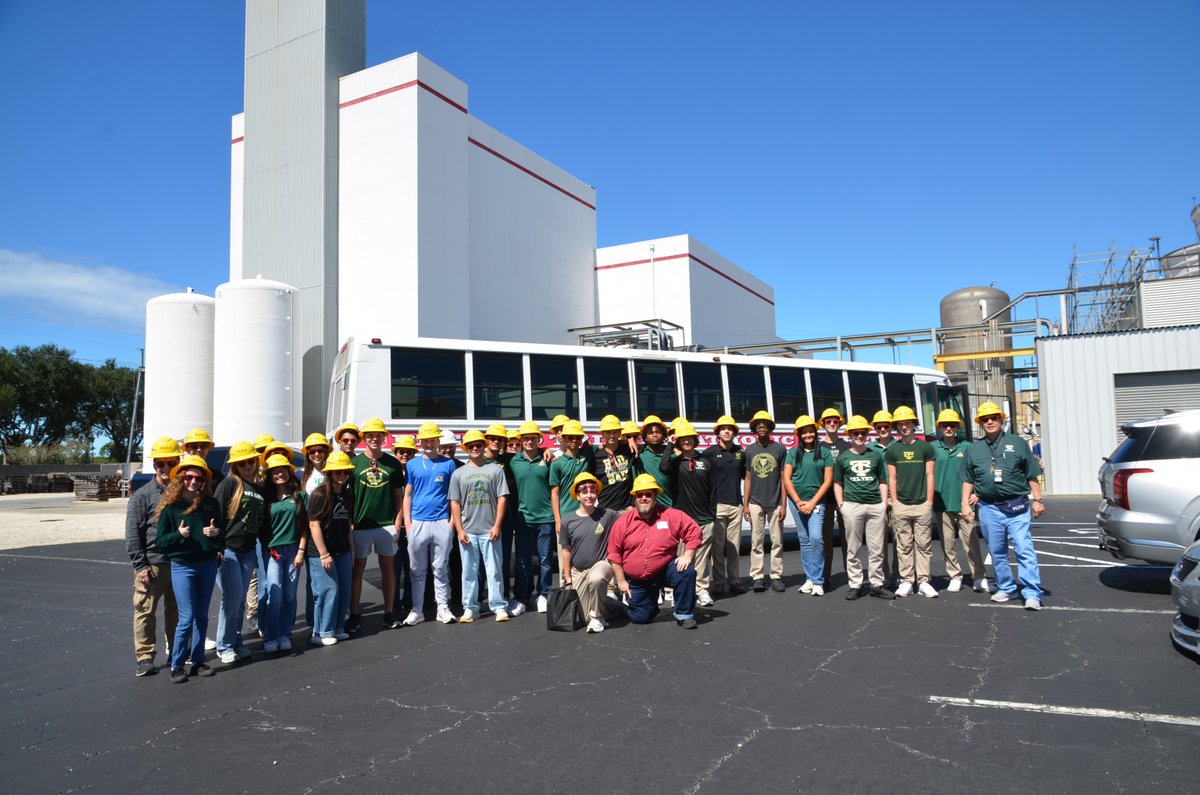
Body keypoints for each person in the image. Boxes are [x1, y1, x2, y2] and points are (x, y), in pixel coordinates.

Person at [961, 402, 1046, 610]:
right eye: (985, 419)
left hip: (1017, 506)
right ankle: (1006, 588)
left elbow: (1031, 474)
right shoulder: (974, 448)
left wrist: (1038, 499)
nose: (990, 421)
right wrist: (965, 504)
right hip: (989, 508)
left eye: (994, 418)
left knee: (1024, 549)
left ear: (1001, 419)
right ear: (980, 423)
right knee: (996, 551)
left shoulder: (1017, 443)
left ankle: (1032, 593)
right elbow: (968, 479)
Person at [154, 454, 224, 683]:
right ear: (181, 478)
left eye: (199, 478)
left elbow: (221, 535)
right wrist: (178, 534)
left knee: (202, 616)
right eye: (189, 477)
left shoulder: (211, 504)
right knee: (186, 617)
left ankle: (198, 660)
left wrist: (215, 533)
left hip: (207, 564)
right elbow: (161, 541)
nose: (194, 481)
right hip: (183, 566)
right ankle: (177, 665)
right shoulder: (171, 508)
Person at [607, 474, 701, 629]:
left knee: (687, 572)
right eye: (640, 495)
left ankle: (684, 614)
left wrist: (687, 555)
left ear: (655, 495)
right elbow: (614, 554)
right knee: (641, 618)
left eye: (648, 494)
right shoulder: (623, 522)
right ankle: (627, 606)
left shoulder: (670, 515)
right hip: (640, 579)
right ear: (635, 497)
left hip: (665, 570)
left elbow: (694, 531)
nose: (644, 498)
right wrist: (622, 581)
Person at [125, 436, 182, 676]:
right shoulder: (143, 496)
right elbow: (132, 533)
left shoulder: (184, 492)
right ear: (154, 465)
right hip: (153, 564)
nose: (166, 468)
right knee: (145, 611)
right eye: (161, 463)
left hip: (179, 562)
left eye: (171, 463)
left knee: (177, 613)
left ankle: (177, 653)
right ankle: (145, 658)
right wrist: (140, 565)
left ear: (178, 462)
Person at [211, 441, 265, 664]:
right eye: (242, 463)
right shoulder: (229, 484)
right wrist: (217, 547)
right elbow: (215, 515)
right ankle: (224, 645)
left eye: (250, 461)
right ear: (235, 465)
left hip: (248, 550)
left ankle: (235, 640)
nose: (247, 466)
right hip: (229, 550)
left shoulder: (258, 487)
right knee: (231, 597)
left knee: (240, 600)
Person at [348, 417, 404, 632]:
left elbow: (398, 496)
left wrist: (397, 522)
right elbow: (349, 497)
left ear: (383, 438)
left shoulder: (392, 464)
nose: (374, 439)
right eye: (370, 436)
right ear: (364, 438)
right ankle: (354, 613)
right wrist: (350, 523)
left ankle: (389, 612)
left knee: (388, 569)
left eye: (378, 436)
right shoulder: (354, 464)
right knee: (358, 570)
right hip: (360, 525)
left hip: (386, 525)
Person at [403, 422, 460, 625]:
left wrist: (451, 523)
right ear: (421, 442)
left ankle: (442, 607)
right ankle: (417, 609)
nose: (429, 444)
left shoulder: (449, 464)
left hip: (441, 522)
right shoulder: (412, 464)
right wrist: (408, 523)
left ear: (438, 441)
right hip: (418, 522)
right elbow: (408, 494)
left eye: (432, 440)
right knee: (417, 570)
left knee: (440, 568)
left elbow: (454, 495)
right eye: (425, 440)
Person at [449, 430, 510, 622]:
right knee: (469, 572)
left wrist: (497, 525)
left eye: (478, 445)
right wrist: (459, 530)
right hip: (468, 530)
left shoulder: (495, 470)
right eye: (471, 446)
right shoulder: (458, 473)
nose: (475, 448)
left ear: (484, 446)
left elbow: (502, 498)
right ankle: (470, 608)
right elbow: (455, 502)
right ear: (466, 449)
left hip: (490, 529)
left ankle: (499, 606)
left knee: (494, 570)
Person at [834, 415, 893, 601]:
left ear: (867, 435)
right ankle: (855, 584)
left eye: (863, 433)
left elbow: (882, 480)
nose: (859, 436)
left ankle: (876, 584)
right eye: (855, 433)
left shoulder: (875, 456)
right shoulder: (843, 458)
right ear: (849, 435)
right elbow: (837, 482)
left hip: (875, 506)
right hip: (852, 506)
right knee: (853, 548)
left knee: (877, 549)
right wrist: (841, 505)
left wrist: (883, 504)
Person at [659, 419, 716, 606]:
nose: (686, 441)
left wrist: (713, 512)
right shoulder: (675, 463)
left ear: (695, 439)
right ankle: (680, 591)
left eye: (689, 438)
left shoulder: (705, 462)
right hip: (683, 519)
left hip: (705, 518)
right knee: (682, 558)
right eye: (682, 439)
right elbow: (663, 467)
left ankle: (702, 590)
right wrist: (670, 444)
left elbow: (712, 489)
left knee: (702, 559)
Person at [931, 409, 989, 594]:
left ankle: (978, 577)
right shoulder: (932, 448)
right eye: (945, 425)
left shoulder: (968, 447)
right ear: (939, 427)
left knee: (971, 543)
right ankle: (955, 576)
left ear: (957, 427)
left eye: (952, 425)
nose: (948, 428)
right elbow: (927, 474)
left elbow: (979, 471)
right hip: (942, 503)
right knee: (947, 543)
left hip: (965, 503)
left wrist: (977, 492)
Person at [884, 406, 938, 598]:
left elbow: (930, 475)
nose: (904, 427)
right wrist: (895, 502)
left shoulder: (925, 447)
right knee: (904, 545)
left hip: (922, 503)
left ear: (914, 424)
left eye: (907, 423)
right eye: (900, 424)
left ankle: (923, 581)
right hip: (901, 505)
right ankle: (906, 581)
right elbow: (892, 478)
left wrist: (929, 502)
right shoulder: (893, 450)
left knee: (924, 545)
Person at [306, 451, 356, 645]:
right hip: (321, 552)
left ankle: (337, 627)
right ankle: (321, 632)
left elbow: (348, 525)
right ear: (330, 473)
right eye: (338, 472)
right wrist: (324, 554)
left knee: (344, 590)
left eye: (345, 472)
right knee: (328, 590)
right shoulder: (320, 494)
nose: (342, 475)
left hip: (342, 550)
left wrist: (351, 550)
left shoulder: (347, 494)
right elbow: (314, 525)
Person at [560, 472, 618, 633]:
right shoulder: (568, 520)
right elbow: (565, 550)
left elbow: (628, 521)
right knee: (586, 618)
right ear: (577, 495)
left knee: (597, 578)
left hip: (601, 566)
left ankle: (598, 617)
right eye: (584, 491)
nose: (589, 495)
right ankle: (614, 607)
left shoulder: (608, 514)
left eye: (592, 490)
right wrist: (568, 579)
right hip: (578, 571)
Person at [782, 415, 833, 596]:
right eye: (804, 433)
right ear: (799, 435)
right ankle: (810, 579)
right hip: (796, 502)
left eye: (811, 431)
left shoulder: (824, 453)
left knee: (816, 538)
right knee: (804, 540)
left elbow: (827, 481)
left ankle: (818, 581)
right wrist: (798, 501)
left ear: (815, 433)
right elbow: (787, 479)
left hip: (816, 502)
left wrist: (812, 503)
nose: (808, 435)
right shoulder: (792, 453)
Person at [262, 453, 306, 653]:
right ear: (269, 476)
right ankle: (270, 636)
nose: (279, 474)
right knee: (275, 596)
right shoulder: (266, 498)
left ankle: (285, 634)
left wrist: (301, 551)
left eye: (283, 471)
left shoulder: (299, 496)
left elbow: (305, 526)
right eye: (275, 472)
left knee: (290, 596)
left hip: (293, 551)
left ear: (289, 472)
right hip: (273, 553)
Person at [509, 421, 554, 616]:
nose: (529, 441)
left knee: (545, 560)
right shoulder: (513, 461)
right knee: (522, 560)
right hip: (523, 518)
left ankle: (543, 594)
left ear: (538, 439)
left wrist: (547, 451)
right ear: (521, 441)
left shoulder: (547, 459)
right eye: (525, 438)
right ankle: (521, 597)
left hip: (546, 517)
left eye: (532, 438)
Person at [549, 420, 595, 601]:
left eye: (577, 437)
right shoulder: (557, 464)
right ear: (564, 439)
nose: (574, 441)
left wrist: (629, 439)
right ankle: (567, 596)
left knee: (588, 555)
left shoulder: (587, 454)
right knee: (565, 560)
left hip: (587, 514)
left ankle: (587, 593)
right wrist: (558, 520)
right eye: (570, 438)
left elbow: (609, 445)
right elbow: (554, 493)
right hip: (566, 516)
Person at [743, 411, 787, 593]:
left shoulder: (779, 449)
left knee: (777, 542)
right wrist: (745, 505)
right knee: (756, 541)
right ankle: (758, 577)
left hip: (775, 502)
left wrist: (783, 505)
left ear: (770, 428)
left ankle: (776, 576)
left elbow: (784, 479)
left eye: (765, 425)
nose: (762, 428)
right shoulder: (749, 450)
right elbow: (747, 479)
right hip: (755, 502)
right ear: (754, 429)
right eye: (758, 426)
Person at [703, 415, 747, 595]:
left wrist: (745, 504)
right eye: (723, 429)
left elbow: (747, 477)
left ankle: (734, 581)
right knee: (718, 548)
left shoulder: (740, 453)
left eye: (730, 429)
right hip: (717, 505)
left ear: (734, 433)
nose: (727, 431)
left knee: (734, 547)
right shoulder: (709, 453)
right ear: (718, 433)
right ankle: (719, 582)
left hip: (735, 504)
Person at [817, 408, 850, 587]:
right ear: (823, 424)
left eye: (835, 421)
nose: (832, 424)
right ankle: (825, 576)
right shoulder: (818, 447)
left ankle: (851, 576)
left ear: (839, 423)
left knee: (848, 540)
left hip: (846, 499)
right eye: (828, 421)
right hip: (826, 499)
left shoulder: (847, 446)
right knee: (825, 541)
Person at [868, 410, 898, 587]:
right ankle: (884, 574)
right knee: (879, 541)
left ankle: (899, 574)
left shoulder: (899, 445)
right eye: (879, 427)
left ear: (891, 427)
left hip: (897, 497)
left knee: (900, 540)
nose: (883, 429)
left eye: (886, 426)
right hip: (877, 498)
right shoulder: (869, 449)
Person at [390, 435, 418, 618]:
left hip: (414, 525)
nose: (405, 455)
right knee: (394, 567)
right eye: (401, 452)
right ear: (396, 453)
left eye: (409, 452)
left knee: (412, 567)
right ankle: (393, 603)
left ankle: (409, 601)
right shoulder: (392, 473)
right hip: (395, 527)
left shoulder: (416, 472)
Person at [592, 414, 639, 514]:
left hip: (627, 509)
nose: (611, 435)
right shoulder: (595, 456)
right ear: (602, 434)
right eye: (608, 432)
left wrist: (629, 440)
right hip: (605, 510)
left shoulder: (629, 450)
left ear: (619, 434)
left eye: (615, 432)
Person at [636, 415, 673, 506]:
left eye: (658, 432)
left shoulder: (672, 454)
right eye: (650, 432)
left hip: (669, 505)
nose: (654, 435)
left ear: (663, 435)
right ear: (645, 436)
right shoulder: (639, 454)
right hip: (646, 505)